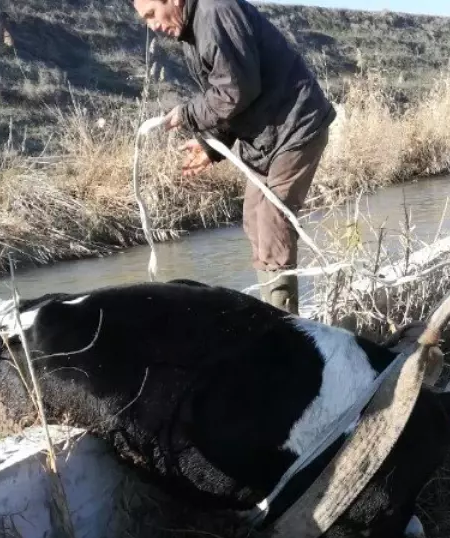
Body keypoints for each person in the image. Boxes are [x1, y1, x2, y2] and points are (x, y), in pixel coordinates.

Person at [133, 0, 335, 315]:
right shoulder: (194, 28)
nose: (152, 26)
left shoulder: (214, 12)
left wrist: (185, 115)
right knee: (255, 218)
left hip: (295, 126)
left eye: (151, 14)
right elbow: (233, 97)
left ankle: (285, 329)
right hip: (269, 135)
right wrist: (212, 147)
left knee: (271, 222)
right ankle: (276, 315)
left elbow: (236, 90)